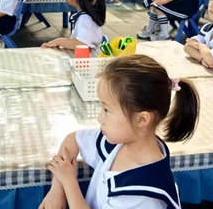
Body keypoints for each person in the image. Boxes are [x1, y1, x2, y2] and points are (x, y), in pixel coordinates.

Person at [42, 54, 199, 209]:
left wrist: (69, 182)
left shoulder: (142, 196)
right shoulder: (121, 142)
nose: (100, 118)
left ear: (142, 119)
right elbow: (73, 140)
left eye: (107, 110)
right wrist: (57, 190)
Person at [42, 0, 106, 55]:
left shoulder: (85, 18)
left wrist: (58, 41)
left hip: (86, 60)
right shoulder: (92, 13)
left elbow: (82, 43)